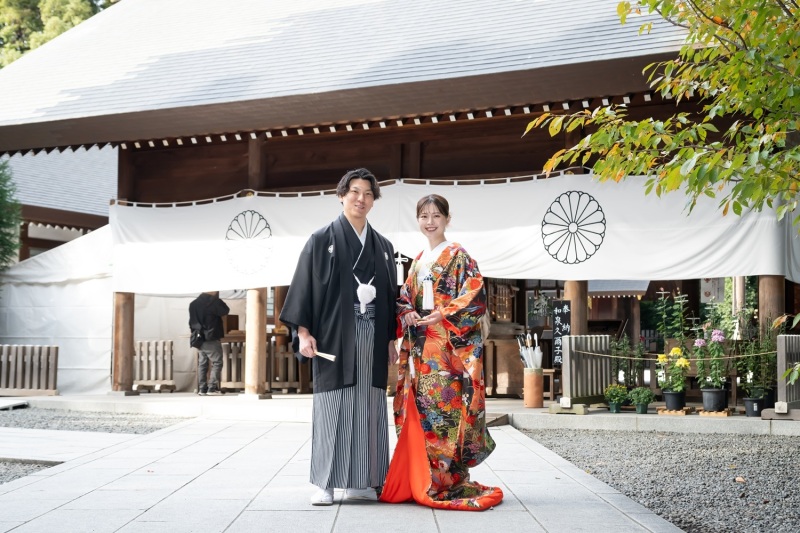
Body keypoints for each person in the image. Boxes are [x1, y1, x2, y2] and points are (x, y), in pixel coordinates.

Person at [279, 168, 399, 506]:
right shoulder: (321, 240)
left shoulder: (383, 246)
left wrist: (391, 339)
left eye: (368, 194)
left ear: (374, 201)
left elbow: (390, 296)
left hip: (373, 334)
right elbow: (304, 287)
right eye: (355, 192)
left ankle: (365, 480)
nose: (361, 199)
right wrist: (303, 332)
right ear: (342, 195)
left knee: (369, 405)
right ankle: (326, 483)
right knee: (333, 405)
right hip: (334, 335)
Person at [380, 194, 503, 511]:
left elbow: (475, 296)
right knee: (423, 412)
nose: (430, 221)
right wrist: (407, 311)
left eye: (436, 215)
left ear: (447, 219)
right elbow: (404, 297)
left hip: (448, 351)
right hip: (422, 350)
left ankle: (444, 481)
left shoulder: (459, 256)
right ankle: (423, 477)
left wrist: (443, 314)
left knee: (445, 413)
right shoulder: (419, 259)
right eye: (424, 216)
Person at [188, 291, 230, 396]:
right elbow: (225, 311)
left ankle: (202, 389)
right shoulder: (214, 302)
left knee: (202, 363)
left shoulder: (193, 304)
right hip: (211, 336)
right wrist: (218, 300)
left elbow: (191, 322)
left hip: (198, 337)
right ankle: (212, 388)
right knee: (217, 362)